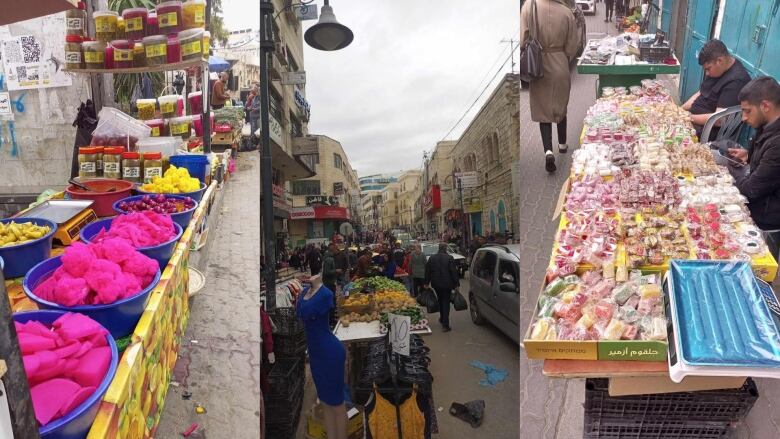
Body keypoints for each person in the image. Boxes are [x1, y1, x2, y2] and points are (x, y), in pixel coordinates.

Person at [520, 0, 581, 173]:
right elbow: (572, 46)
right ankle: (562, 144)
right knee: (560, 104)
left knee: (543, 109)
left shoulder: (528, 7)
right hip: (560, 63)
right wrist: (563, 56)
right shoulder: (566, 12)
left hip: (537, 66)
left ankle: (548, 150)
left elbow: (523, 39)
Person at [723, 77, 780, 257]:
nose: (744, 118)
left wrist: (728, 170)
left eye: (747, 111)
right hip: (761, 197)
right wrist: (749, 155)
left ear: (765, 106)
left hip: (767, 215)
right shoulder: (768, 125)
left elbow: (750, 189)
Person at [296, 275, 347, 438]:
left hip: (330, 352)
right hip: (315, 354)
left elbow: (307, 311)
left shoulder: (325, 294)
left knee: (337, 404)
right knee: (325, 402)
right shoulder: (304, 291)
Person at [682, 40, 751, 141]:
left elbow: (718, 120)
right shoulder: (717, 70)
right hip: (693, 119)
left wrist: (688, 117)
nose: (707, 73)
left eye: (708, 69)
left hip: (706, 130)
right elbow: (700, 93)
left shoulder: (737, 81)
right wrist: (679, 110)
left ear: (720, 61)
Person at [425, 243, 459, 332]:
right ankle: (445, 325)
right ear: (445, 248)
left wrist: (426, 282)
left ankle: (442, 318)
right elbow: (453, 272)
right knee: (445, 302)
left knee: (440, 300)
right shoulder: (449, 258)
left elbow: (427, 271)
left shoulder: (432, 258)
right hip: (447, 284)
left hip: (436, 284)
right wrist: (456, 284)